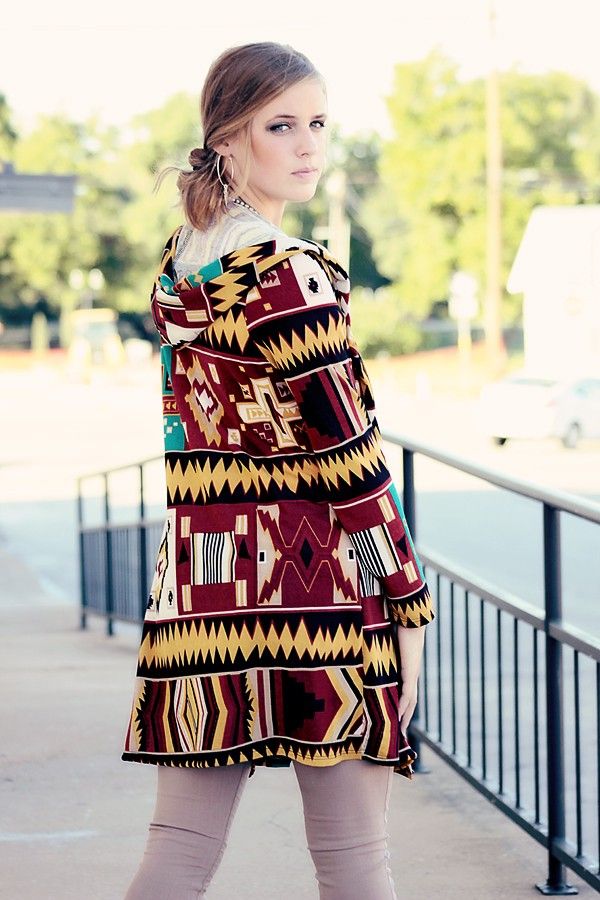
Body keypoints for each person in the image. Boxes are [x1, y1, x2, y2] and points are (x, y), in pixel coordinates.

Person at [121, 41, 435, 900]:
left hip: (204, 589)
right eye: (282, 125)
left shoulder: (184, 264)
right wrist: (407, 601)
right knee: (355, 857)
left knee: (178, 849)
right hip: (317, 589)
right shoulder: (289, 275)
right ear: (228, 139)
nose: (308, 146)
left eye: (319, 124)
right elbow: (351, 461)